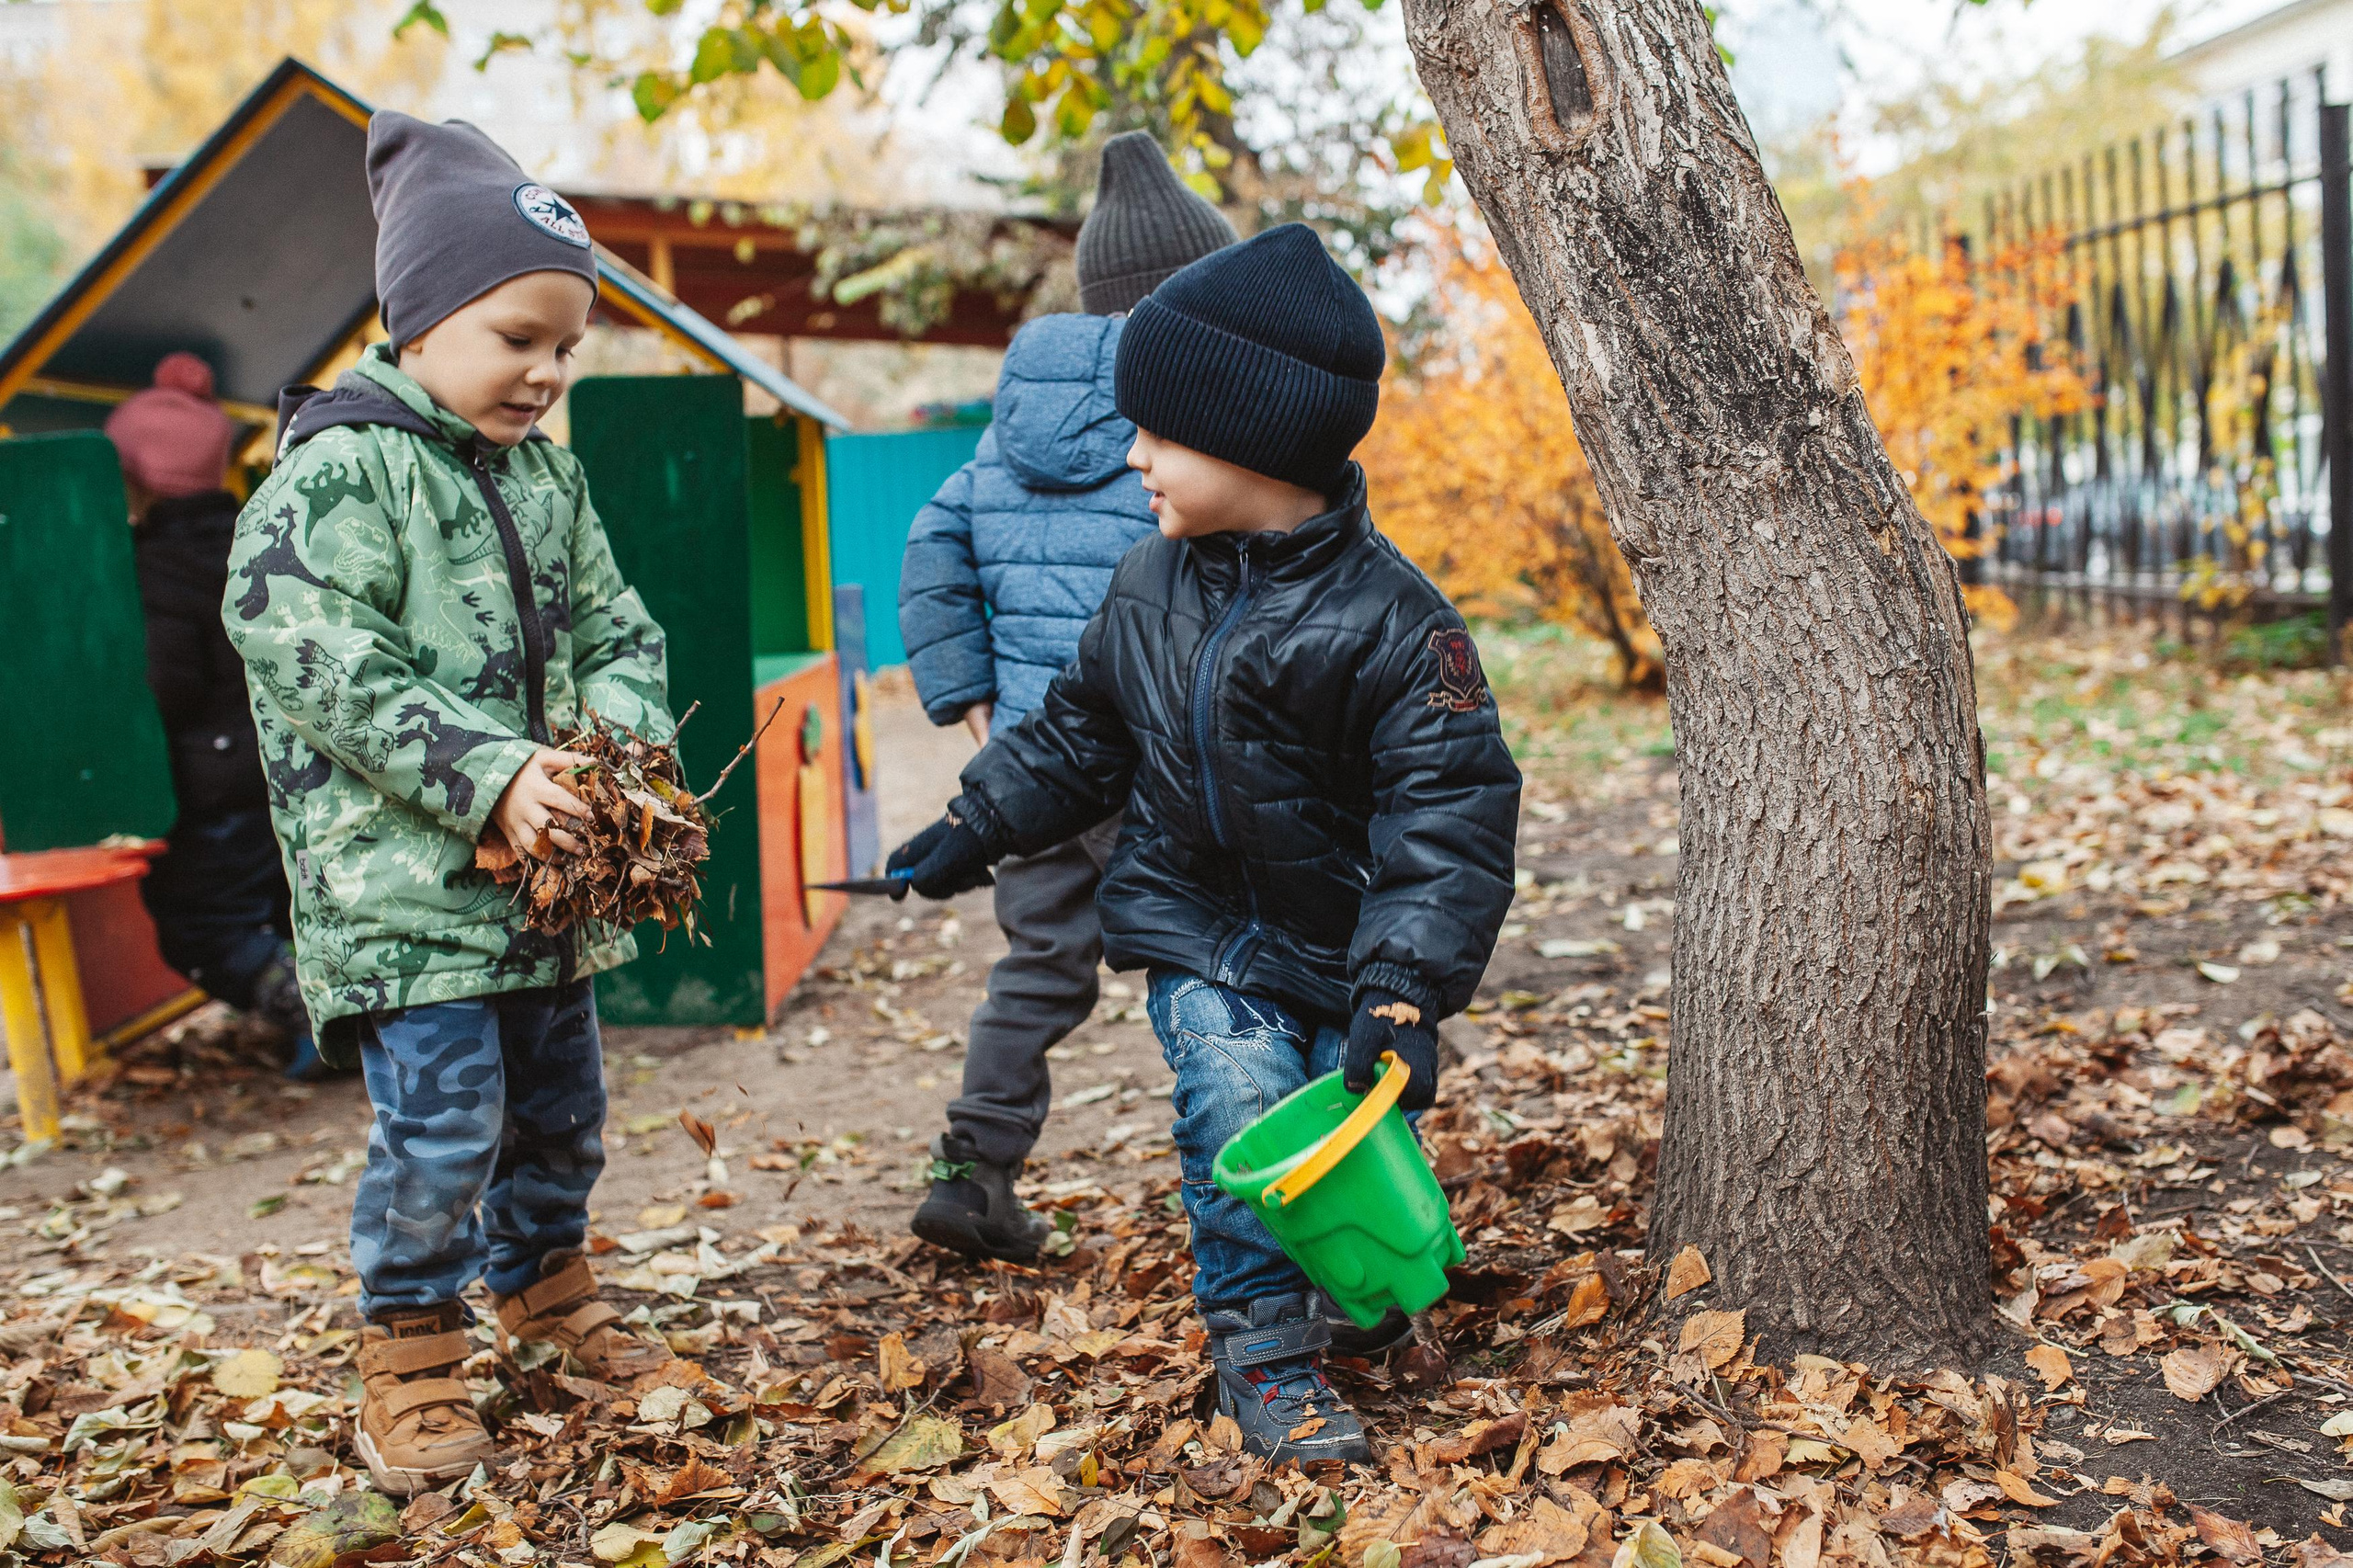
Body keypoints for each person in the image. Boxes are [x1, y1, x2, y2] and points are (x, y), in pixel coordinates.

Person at [885, 225, 1521, 1464]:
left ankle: (1363, 1291)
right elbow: (1078, 734)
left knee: (1330, 1130)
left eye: (1157, 434)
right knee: (1234, 1098)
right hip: (1196, 924)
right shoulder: (1146, 581)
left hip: (1342, 946)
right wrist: (975, 821)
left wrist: (1402, 987)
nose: (1130, 458)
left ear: (1256, 437)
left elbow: (1449, 814)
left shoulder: (1398, 625)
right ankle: (1266, 1362)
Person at [222, 112, 676, 1495]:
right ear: (419, 322)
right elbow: (302, 641)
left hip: (544, 890)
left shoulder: (549, 476)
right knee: (442, 1127)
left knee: (564, 1108)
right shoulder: (341, 472)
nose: (545, 373)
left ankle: (545, 1288)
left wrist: (623, 763)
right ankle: (410, 1348)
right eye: (516, 336)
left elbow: (618, 633)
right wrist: (486, 772)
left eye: (566, 348)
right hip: (405, 897)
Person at [897, 131, 1234, 1264]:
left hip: (1036, 769)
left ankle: (972, 1170)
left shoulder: (1011, 424)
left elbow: (931, 542)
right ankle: (1254, 1182)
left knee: (1038, 966)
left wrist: (971, 699)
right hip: (1155, 764)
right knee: (1213, 962)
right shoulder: (1185, 401)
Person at [105, 354, 328, 1079]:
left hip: (212, 786)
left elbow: (164, 684)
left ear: (133, 480)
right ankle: (325, 1008)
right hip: (283, 763)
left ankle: (314, 1010)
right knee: (276, 899)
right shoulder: (252, 533)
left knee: (202, 922)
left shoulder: (153, 570)